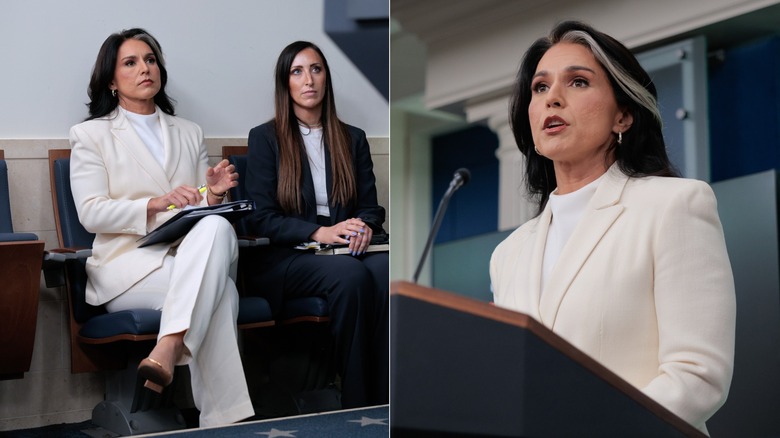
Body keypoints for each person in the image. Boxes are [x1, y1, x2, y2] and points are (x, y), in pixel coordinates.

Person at [490, 21, 735, 434]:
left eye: (578, 82)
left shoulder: (675, 205)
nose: (553, 99)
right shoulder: (508, 254)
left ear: (623, 115)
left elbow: (698, 375)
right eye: (540, 88)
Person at [69, 28, 253, 427]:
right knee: (222, 294)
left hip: (189, 255)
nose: (144, 69)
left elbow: (196, 204)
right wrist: (154, 203)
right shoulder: (91, 135)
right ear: (111, 80)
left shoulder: (189, 132)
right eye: (130, 63)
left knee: (217, 228)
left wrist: (214, 196)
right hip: (128, 266)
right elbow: (91, 212)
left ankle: (167, 349)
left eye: (150, 59)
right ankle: (225, 422)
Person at [244, 41, 388, 408]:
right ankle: (359, 403)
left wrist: (365, 227)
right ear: (285, 83)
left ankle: (388, 399)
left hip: (344, 247)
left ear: (326, 79)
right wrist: (318, 232)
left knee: (387, 270)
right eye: (297, 71)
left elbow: (371, 208)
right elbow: (260, 218)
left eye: (316, 69)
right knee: (350, 276)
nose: (308, 79)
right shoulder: (265, 138)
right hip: (287, 257)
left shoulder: (351, 138)